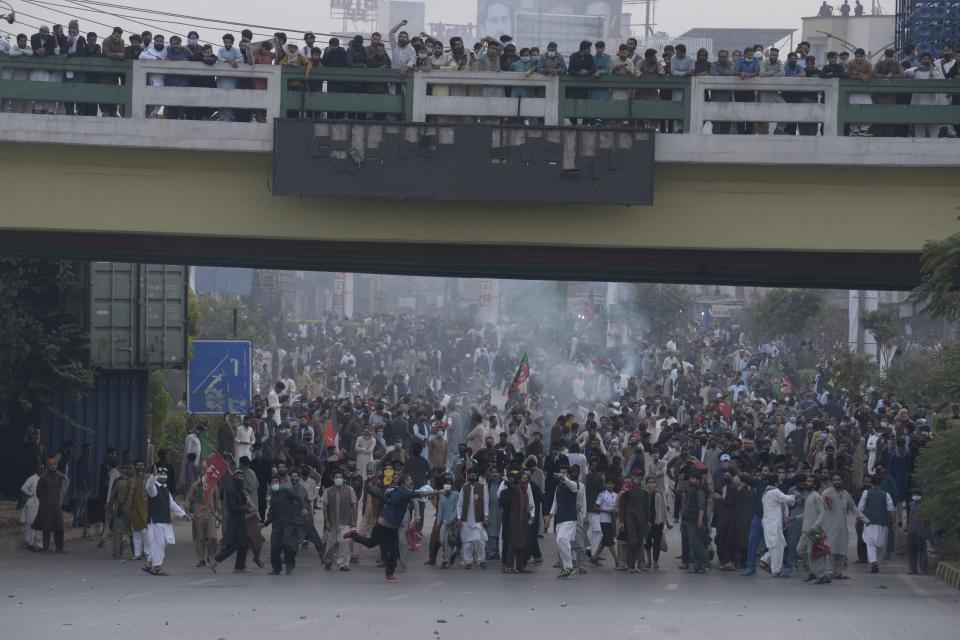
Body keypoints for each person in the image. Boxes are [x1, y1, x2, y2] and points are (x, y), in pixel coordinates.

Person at [345, 471, 437, 582]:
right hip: (382, 526)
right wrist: (438, 491)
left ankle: (389, 574)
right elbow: (420, 493)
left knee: (394, 551)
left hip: (393, 528)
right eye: (408, 480)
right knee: (370, 544)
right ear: (404, 482)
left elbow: (387, 496)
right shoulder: (403, 492)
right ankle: (353, 534)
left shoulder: (396, 490)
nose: (411, 481)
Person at [142, 466, 190, 575]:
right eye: (160, 474)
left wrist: (183, 515)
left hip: (164, 520)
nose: (163, 477)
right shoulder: (153, 488)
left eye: (164, 475)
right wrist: (153, 476)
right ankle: (156, 567)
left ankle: (149, 563)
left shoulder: (165, 489)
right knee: (158, 543)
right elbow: (148, 486)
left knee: (163, 543)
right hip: (156, 521)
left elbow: (171, 504)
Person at [820, 472, 867, 580]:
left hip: (842, 527)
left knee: (841, 550)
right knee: (830, 550)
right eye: (835, 480)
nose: (837, 482)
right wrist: (828, 502)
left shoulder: (845, 494)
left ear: (842, 481)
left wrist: (864, 519)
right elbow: (821, 507)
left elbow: (853, 508)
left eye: (839, 480)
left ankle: (837, 572)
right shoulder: (827, 493)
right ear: (832, 482)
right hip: (830, 526)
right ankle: (828, 572)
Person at [543, 465, 581, 579]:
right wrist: (549, 518)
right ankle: (566, 568)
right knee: (560, 543)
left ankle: (569, 567)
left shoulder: (573, 485)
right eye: (560, 473)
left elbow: (572, 486)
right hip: (560, 519)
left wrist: (564, 478)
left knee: (562, 540)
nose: (561, 475)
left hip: (569, 518)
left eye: (564, 472)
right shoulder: (558, 487)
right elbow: (555, 503)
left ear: (568, 474)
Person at [263, 475, 306, 575]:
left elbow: (299, 498)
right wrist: (265, 524)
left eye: (276, 482)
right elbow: (273, 513)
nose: (275, 484)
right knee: (274, 547)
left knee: (287, 544)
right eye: (273, 482)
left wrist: (303, 508)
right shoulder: (272, 497)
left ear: (280, 483)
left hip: (289, 524)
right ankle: (276, 568)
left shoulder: (286, 492)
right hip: (277, 525)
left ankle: (290, 564)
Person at [210, 469, 250, 573]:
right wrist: (247, 509)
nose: (241, 479)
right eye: (239, 477)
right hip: (234, 522)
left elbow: (245, 502)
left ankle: (239, 567)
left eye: (242, 477)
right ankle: (216, 561)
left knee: (244, 543)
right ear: (234, 478)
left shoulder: (241, 491)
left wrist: (246, 496)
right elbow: (233, 507)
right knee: (233, 545)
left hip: (242, 521)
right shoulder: (230, 491)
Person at [796, 474, 830, 584]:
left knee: (816, 553)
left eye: (810, 481)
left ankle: (821, 576)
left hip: (813, 531)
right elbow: (807, 513)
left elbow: (822, 513)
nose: (807, 483)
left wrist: (815, 527)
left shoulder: (816, 496)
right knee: (801, 550)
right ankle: (813, 572)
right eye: (807, 481)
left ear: (815, 484)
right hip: (806, 530)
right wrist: (794, 518)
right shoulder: (809, 496)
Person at [322, 470, 358, 571]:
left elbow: (354, 505)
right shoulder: (328, 491)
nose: (339, 479)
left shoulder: (349, 490)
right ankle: (328, 561)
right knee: (330, 544)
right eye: (337, 477)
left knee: (344, 542)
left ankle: (343, 564)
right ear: (333, 479)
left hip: (345, 521)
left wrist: (355, 520)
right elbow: (325, 507)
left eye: (340, 477)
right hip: (332, 522)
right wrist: (327, 522)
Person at [858, 474, 894, 574]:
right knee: (881, 544)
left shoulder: (866, 493)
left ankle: (873, 561)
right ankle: (877, 562)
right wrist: (893, 522)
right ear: (880, 483)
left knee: (870, 544)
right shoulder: (886, 494)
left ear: (871, 482)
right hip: (882, 522)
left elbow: (860, 508)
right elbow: (891, 509)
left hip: (869, 522)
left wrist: (861, 519)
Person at [456, 468, 489, 568]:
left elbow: (486, 503)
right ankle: (468, 561)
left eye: (474, 475)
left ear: (477, 476)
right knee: (467, 542)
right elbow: (460, 504)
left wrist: (486, 516)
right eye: (470, 475)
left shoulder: (482, 487)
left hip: (478, 518)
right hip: (466, 519)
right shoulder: (464, 487)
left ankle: (481, 560)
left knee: (480, 540)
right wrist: (459, 517)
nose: (472, 477)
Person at [761, 483, 795, 577]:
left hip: (771, 523)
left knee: (779, 545)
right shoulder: (775, 492)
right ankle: (775, 569)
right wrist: (796, 496)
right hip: (774, 524)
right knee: (776, 546)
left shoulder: (766, 493)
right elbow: (787, 498)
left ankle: (766, 560)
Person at [187, 475, 222, 567]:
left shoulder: (213, 485)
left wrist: (219, 515)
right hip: (199, 515)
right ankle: (201, 559)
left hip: (211, 515)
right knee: (200, 538)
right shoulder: (196, 485)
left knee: (213, 537)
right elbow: (188, 498)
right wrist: (188, 512)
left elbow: (217, 500)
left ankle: (211, 556)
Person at [108, 464, 135, 559]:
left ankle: (117, 552)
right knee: (132, 532)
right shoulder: (135, 483)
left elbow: (112, 497)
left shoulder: (119, 483)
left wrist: (110, 508)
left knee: (118, 532)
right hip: (131, 510)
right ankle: (135, 552)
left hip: (119, 509)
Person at [19, 463, 44, 551]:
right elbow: (23, 488)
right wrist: (31, 494)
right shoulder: (32, 478)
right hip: (31, 504)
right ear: (35, 470)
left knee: (38, 524)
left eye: (42, 468)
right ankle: (30, 543)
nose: (41, 470)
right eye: (39, 468)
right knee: (30, 524)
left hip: (38, 505)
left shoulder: (41, 478)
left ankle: (38, 544)